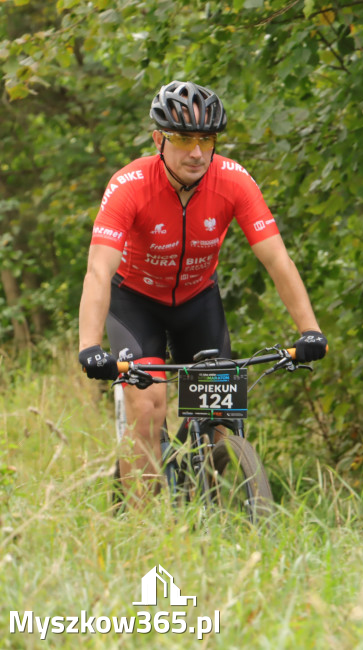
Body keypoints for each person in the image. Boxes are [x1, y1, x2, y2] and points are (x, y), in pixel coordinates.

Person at [77, 80, 327, 505]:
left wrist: (310, 330)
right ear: (159, 138)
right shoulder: (129, 185)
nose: (196, 151)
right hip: (137, 303)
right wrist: (90, 345)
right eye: (183, 138)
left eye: (206, 139)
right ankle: (143, 533)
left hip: (197, 301)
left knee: (221, 419)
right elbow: (100, 269)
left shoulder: (233, 182)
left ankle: (202, 511)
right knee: (150, 406)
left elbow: (276, 259)